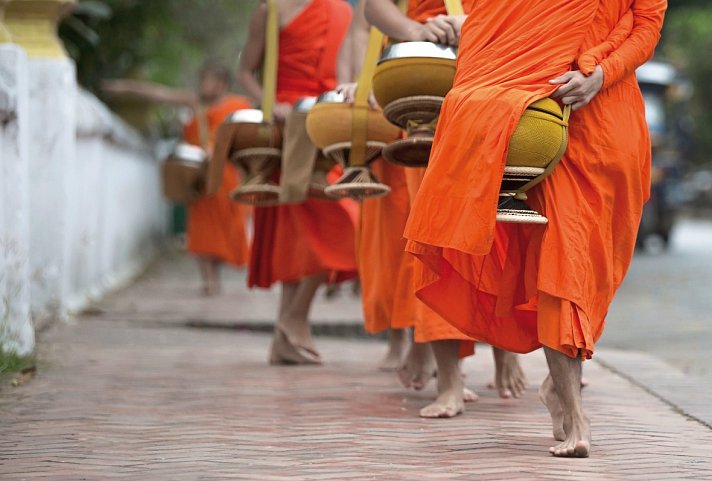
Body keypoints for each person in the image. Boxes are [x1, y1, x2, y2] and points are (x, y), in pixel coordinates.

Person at [404, 0, 666, 456]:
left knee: (595, 270)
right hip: (540, 111)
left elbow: (646, 24)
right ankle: (574, 410)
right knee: (565, 260)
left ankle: (559, 388)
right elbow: (490, 19)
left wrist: (602, 74)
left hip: (609, 113)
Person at [341, 0, 527, 419]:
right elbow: (372, 10)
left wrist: (473, 23)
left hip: (489, 82)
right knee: (434, 235)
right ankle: (450, 381)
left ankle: (505, 348)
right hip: (420, 88)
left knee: (494, 232)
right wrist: (415, 30)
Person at [237, 0, 358, 365]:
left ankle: (289, 325)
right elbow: (245, 72)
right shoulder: (270, 10)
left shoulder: (342, 10)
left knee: (344, 224)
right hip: (288, 126)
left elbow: (349, 66)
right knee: (299, 234)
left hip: (328, 121)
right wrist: (269, 102)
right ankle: (288, 329)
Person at [103, 64, 252, 296]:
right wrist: (124, 87)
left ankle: (216, 272)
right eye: (202, 80)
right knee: (202, 228)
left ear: (221, 84)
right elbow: (159, 93)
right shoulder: (195, 103)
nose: (203, 86)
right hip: (196, 176)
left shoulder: (238, 106)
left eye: (208, 81)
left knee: (227, 228)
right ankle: (208, 279)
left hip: (226, 176)